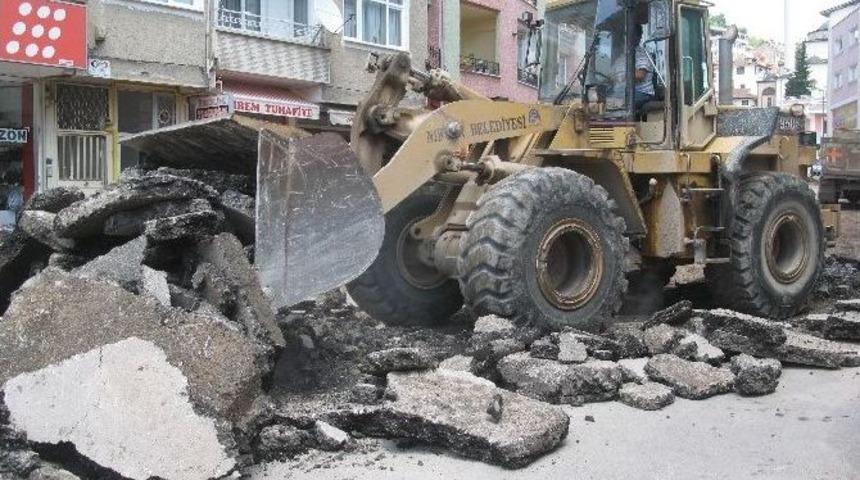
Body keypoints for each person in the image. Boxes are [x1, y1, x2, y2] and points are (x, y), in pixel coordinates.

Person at [632, 24, 656, 117]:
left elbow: (640, 75)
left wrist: (620, 76)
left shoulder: (643, 54)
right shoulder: (623, 55)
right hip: (630, 92)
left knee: (621, 101)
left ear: (638, 37)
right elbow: (611, 73)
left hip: (644, 93)